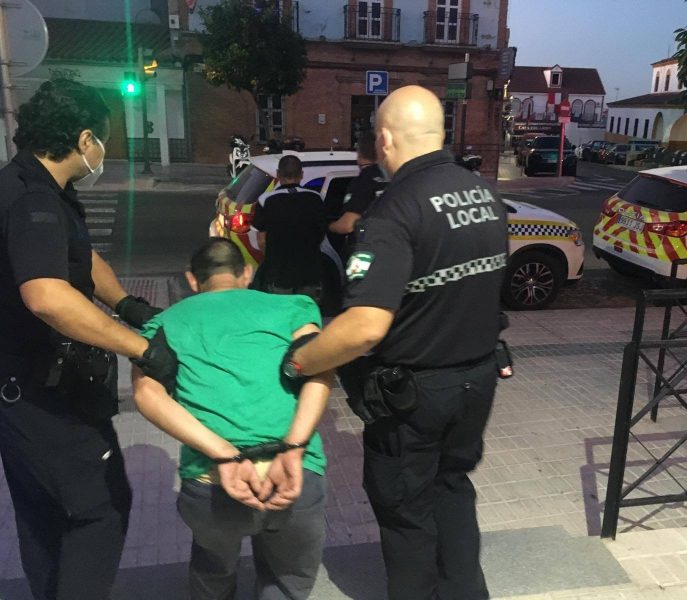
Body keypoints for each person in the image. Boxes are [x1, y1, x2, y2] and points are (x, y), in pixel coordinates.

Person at [281, 85, 508, 599]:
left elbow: (364, 326)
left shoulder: (392, 213)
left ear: (384, 139)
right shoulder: (484, 194)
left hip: (415, 397)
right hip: (476, 380)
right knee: (452, 488)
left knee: (406, 513)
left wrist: (301, 360)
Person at [0, 79, 175, 600]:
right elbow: (48, 296)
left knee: (41, 514)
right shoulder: (34, 202)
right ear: (83, 140)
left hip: (20, 391)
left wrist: (124, 301)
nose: (104, 150)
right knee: (100, 509)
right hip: (44, 397)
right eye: (102, 138)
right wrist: (141, 348)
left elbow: (79, 256)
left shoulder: (38, 186)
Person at [132, 238, 333, 600]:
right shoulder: (295, 307)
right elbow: (318, 371)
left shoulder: (165, 323)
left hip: (212, 482)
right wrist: (293, 446)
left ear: (193, 281)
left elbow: (147, 393)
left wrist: (224, 452)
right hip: (295, 474)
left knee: (213, 567)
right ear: (247, 274)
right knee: (287, 580)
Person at [250, 155, 326, 301]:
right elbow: (321, 232)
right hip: (309, 272)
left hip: (279, 273)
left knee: (281, 315)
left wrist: (271, 257)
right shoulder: (316, 198)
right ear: (301, 175)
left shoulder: (266, 200)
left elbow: (261, 240)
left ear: (278, 175)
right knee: (305, 315)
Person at [329, 130, 387, 253]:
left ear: (359, 154)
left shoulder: (364, 180)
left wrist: (329, 227)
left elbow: (348, 225)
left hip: (367, 252)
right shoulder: (394, 177)